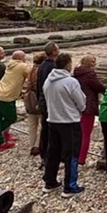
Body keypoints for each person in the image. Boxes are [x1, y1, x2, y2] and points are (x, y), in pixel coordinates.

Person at [42, 52, 86, 197]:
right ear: (68, 64)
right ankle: (70, 186)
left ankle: (49, 181)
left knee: (53, 152)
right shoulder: (71, 82)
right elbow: (81, 102)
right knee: (71, 154)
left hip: (53, 120)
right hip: (69, 121)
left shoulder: (49, 80)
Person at [0, 50, 31, 151]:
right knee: (11, 117)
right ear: (20, 58)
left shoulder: (9, 64)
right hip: (6, 96)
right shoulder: (22, 66)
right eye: (24, 57)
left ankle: (0, 141)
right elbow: (32, 74)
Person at [74, 55, 106, 166]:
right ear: (88, 63)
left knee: (77, 133)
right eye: (93, 62)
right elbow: (100, 87)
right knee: (86, 134)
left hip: (77, 106)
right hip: (88, 106)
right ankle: (81, 158)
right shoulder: (90, 74)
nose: (95, 64)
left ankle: (75, 155)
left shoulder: (76, 73)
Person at [36, 42, 60, 159]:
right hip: (50, 101)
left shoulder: (42, 65)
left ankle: (44, 153)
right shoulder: (53, 67)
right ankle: (49, 155)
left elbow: (38, 84)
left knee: (45, 129)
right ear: (54, 51)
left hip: (42, 100)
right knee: (51, 130)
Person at [25, 53, 46, 156]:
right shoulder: (41, 71)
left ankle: (31, 145)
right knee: (42, 123)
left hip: (29, 97)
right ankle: (37, 146)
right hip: (36, 97)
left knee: (32, 124)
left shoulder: (30, 69)